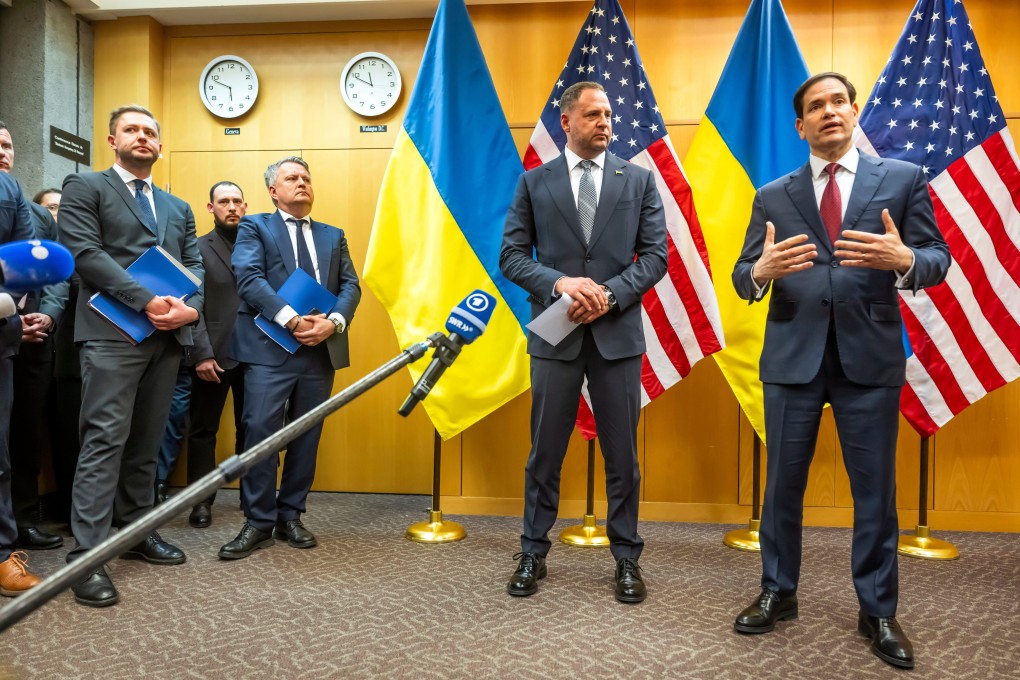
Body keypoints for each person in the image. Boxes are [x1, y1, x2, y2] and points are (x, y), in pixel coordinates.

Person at [730, 73, 950, 669]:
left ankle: (877, 609)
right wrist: (760, 272)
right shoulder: (773, 193)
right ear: (800, 126)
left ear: (855, 112)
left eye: (837, 102)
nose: (828, 112)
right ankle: (779, 591)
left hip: (869, 359)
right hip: (791, 359)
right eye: (814, 107)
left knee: (875, 494)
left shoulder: (901, 180)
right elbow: (742, 272)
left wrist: (905, 259)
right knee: (781, 489)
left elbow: (938, 259)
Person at [499, 81, 667, 603]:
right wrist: (560, 283)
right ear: (566, 122)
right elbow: (511, 257)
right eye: (593, 115)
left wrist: (609, 295)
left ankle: (626, 558)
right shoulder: (534, 182)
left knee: (623, 454)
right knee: (545, 451)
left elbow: (657, 256)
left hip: (617, 335)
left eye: (609, 115)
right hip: (556, 332)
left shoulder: (637, 180)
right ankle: (532, 550)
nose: (605, 122)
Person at [60, 104, 204, 608]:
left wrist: (190, 311)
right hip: (110, 334)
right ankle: (89, 556)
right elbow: (85, 253)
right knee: (104, 441)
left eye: (150, 132)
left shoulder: (177, 206)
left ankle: (138, 532)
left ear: (160, 146)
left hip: (166, 339)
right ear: (111, 138)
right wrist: (146, 299)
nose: (142, 137)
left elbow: (194, 267)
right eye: (132, 130)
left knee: (146, 443)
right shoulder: (86, 187)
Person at [220, 157, 360, 559]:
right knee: (260, 433)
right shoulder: (255, 226)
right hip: (269, 348)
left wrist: (333, 323)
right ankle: (258, 522)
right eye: (292, 178)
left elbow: (351, 285)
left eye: (306, 178)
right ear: (273, 191)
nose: (302, 184)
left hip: (319, 350)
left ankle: (291, 516)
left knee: (306, 436)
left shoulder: (334, 235)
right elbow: (249, 279)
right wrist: (291, 319)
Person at [160, 181, 249, 528]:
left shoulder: (260, 247)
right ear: (210, 208)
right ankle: (201, 502)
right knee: (202, 431)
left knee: (253, 430)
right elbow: (190, 305)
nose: (231, 207)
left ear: (245, 206)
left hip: (257, 356)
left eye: (237, 201)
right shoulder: (195, 249)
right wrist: (200, 355)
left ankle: (252, 499)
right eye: (223, 201)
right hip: (212, 355)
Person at [0, 122, 68, 551]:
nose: (1, 151)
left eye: (6, 144)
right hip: (5, 331)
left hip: (36, 340)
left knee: (24, 435)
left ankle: (23, 520)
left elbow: (61, 274)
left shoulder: (39, 215)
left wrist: (47, 315)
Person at [0, 169, 43, 596]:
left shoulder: (8, 187)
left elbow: (27, 263)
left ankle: (0, 556)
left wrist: (7, 303)